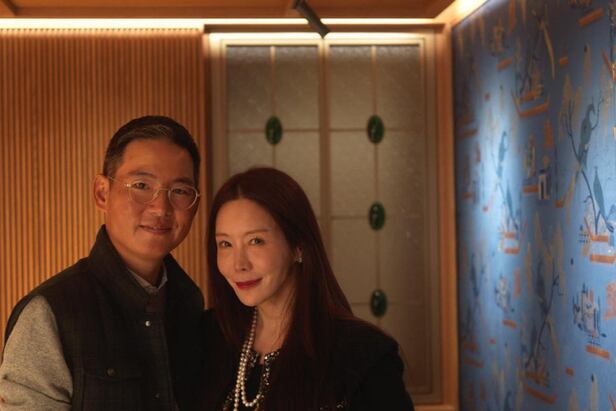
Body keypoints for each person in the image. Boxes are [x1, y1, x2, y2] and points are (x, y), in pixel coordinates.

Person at [0, 116, 204, 411]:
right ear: (102, 193)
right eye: (141, 185)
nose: (161, 208)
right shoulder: (50, 312)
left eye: (180, 191)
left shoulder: (190, 303)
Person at [201, 167, 414, 410]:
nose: (238, 264)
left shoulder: (362, 355)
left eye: (255, 241)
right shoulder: (210, 338)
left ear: (298, 246)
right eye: (225, 244)